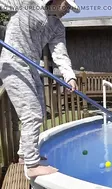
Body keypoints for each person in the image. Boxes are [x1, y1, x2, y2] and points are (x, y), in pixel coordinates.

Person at [0, 0, 80, 178]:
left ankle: (24, 155)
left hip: (32, 67)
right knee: (32, 113)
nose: (68, 10)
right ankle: (32, 164)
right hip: (13, 64)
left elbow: (60, 53)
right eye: (67, 6)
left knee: (40, 113)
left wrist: (70, 76)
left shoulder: (58, 27)